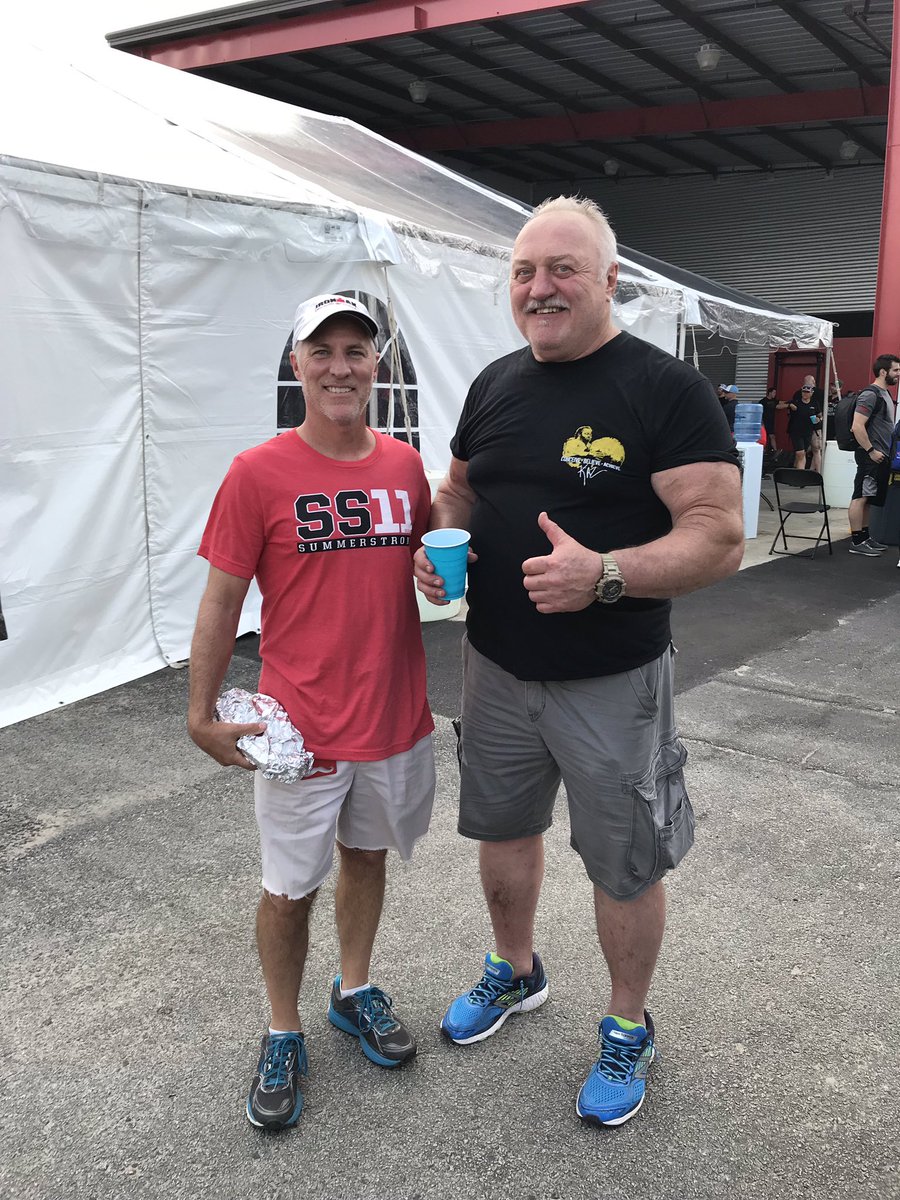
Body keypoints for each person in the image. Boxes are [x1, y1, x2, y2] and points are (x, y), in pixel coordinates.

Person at [414, 196, 744, 1128]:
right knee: (503, 832)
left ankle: (627, 1025)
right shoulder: (494, 385)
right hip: (498, 668)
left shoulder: (662, 389)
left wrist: (605, 575)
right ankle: (515, 973)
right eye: (524, 271)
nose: (540, 286)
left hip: (613, 679)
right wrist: (442, 548)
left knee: (624, 863)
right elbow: (459, 490)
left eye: (563, 269)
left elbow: (719, 536)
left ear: (608, 282)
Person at [187, 293, 436, 1130]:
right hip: (299, 729)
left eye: (355, 351)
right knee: (288, 889)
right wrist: (199, 715)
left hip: (394, 716)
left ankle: (354, 989)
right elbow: (222, 602)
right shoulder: (257, 473)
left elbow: (422, 564)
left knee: (367, 857)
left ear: (376, 365)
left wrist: (433, 577)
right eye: (321, 350)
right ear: (296, 366)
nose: (340, 366)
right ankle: (282, 1027)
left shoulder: (404, 466)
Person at [848, 353, 900, 556]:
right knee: (860, 496)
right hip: (869, 456)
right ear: (883, 372)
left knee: (868, 498)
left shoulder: (885, 394)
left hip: (880, 456)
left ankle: (865, 537)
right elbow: (856, 426)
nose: (898, 374)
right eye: (895, 370)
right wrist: (871, 450)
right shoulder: (871, 395)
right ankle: (856, 541)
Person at [787, 375, 823, 472]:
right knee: (801, 452)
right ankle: (802, 473)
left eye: (807, 392)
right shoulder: (797, 400)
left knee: (810, 451)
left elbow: (820, 414)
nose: (805, 394)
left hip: (811, 429)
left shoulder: (815, 402)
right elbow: (788, 407)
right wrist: (790, 405)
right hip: (798, 430)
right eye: (804, 392)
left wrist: (818, 419)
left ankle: (811, 473)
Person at [761, 385, 779, 451]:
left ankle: (775, 450)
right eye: (774, 392)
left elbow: (780, 403)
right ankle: (762, 450)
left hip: (770, 422)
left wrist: (789, 403)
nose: (775, 394)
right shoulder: (763, 401)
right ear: (770, 393)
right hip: (764, 422)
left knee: (772, 436)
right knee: (764, 437)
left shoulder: (774, 401)